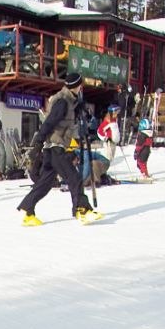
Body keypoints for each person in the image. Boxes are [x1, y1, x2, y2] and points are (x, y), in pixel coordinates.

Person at [16, 73, 96, 226]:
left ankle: (27, 210)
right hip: (55, 147)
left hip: (55, 146)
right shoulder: (63, 102)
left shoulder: (70, 101)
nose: (82, 87)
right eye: (81, 85)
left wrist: (79, 109)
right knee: (74, 178)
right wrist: (38, 141)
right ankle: (82, 210)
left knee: (45, 183)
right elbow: (49, 122)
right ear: (77, 86)